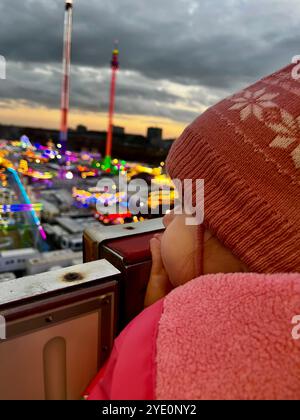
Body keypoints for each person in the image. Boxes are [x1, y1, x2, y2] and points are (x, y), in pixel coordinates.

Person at [86, 63, 300, 400]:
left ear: (243, 240)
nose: (168, 218)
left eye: (185, 203)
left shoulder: (157, 349)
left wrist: (154, 331)